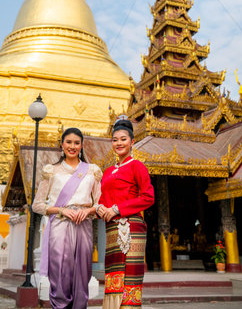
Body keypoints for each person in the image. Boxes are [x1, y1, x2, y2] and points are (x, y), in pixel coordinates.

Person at [32, 127, 102, 309]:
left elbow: (100, 204)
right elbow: (37, 205)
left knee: (82, 273)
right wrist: (62, 211)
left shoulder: (92, 171)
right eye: (68, 142)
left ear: (81, 146)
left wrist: (88, 211)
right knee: (61, 271)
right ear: (61, 144)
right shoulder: (51, 171)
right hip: (60, 225)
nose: (72, 146)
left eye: (76, 143)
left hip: (83, 224)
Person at [97, 119, 155, 309]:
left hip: (132, 227)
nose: (119, 143)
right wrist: (100, 209)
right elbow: (102, 201)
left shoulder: (137, 166)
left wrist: (117, 208)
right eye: (115, 140)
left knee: (130, 276)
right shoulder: (107, 172)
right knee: (114, 276)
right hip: (112, 228)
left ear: (132, 141)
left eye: (123, 139)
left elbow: (148, 197)